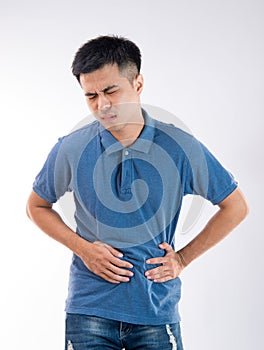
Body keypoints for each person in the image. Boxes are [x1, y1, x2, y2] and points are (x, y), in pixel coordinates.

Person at [26, 35, 249, 350]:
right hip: (89, 311)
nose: (102, 105)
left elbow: (235, 206)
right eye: (91, 95)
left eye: (111, 91)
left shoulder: (181, 147)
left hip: (155, 313)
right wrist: (84, 249)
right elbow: (37, 206)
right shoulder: (71, 147)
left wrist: (183, 258)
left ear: (138, 84)